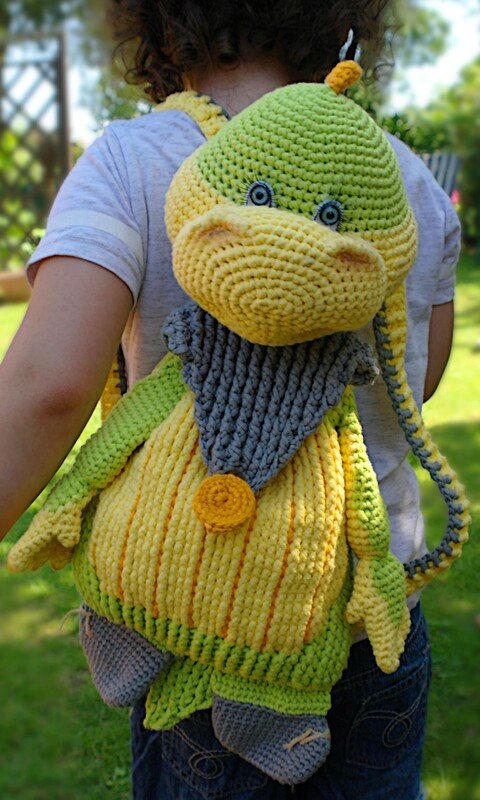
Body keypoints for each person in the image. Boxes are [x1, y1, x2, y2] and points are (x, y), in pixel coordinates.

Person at [0, 2, 460, 798]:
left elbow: (49, 388)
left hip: (206, 617)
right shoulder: (405, 178)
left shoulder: (132, 159)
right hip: (377, 622)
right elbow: (417, 383)